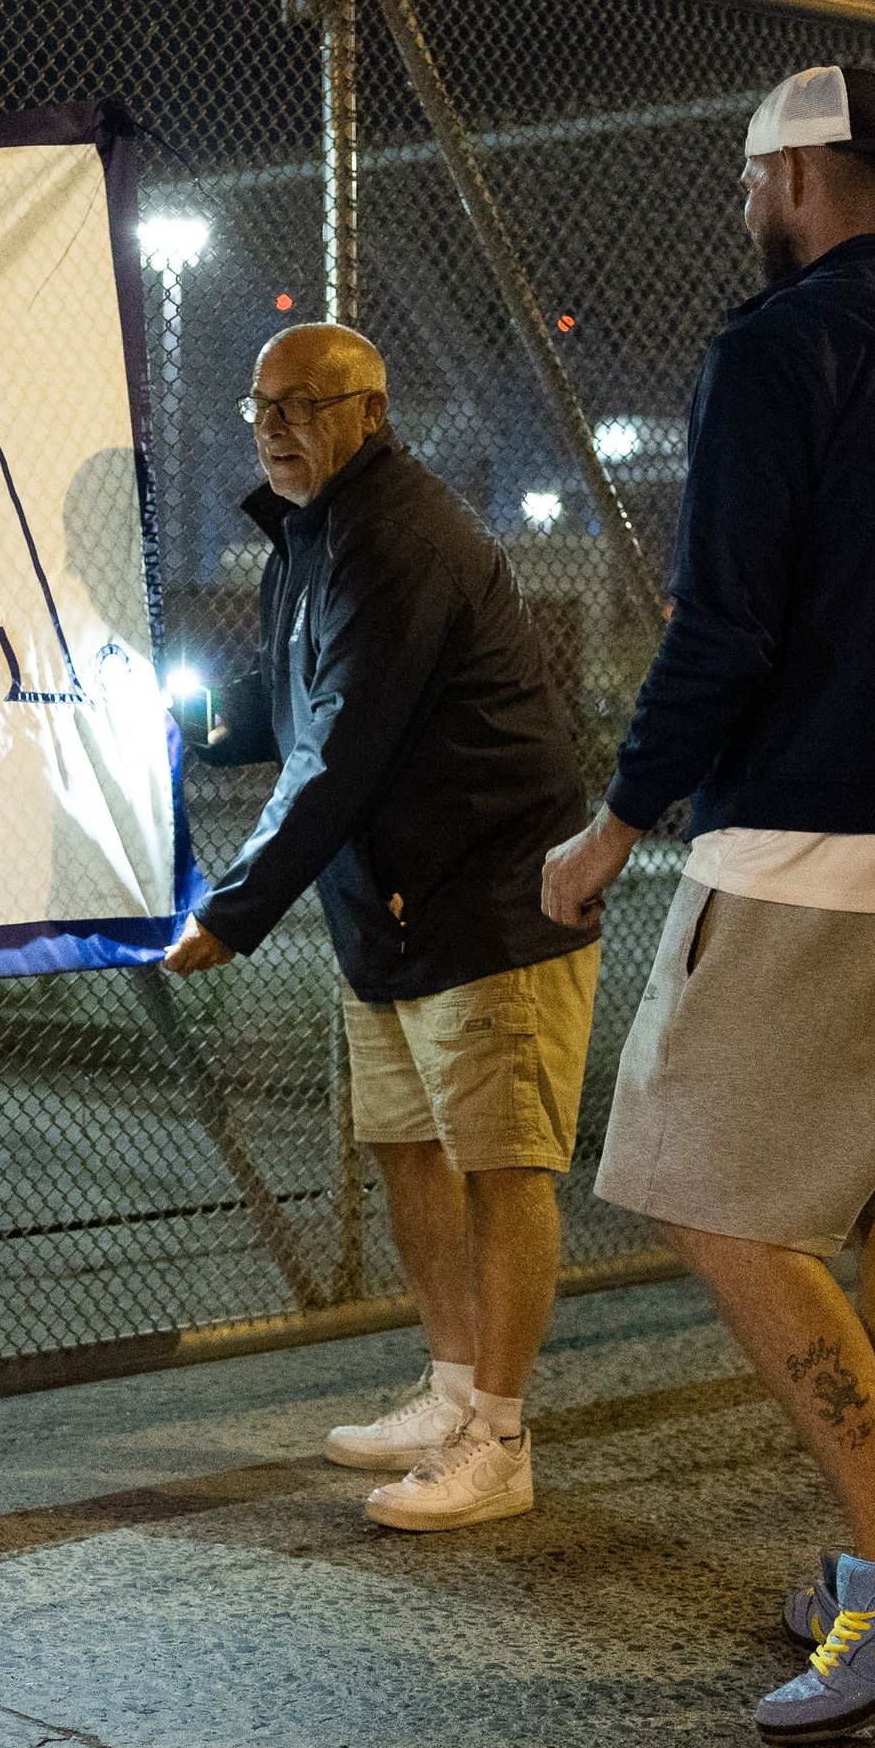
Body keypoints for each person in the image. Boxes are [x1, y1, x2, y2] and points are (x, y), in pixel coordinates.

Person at [540, 63, 875, 1745]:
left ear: (790, 178)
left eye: (751, 187)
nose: (748, 215)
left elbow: (726, 628)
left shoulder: (775, 352)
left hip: (804, 865)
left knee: (714, 1199)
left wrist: (612, 828)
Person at [162, 324, 600, 1532]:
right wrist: (203, 722)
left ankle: (499, 1437)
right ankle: (450, 1390)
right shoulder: (312, 533)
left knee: (506, 1165)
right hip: (392, 910)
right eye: (260, 405)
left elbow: (346, 743)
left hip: (492, 899)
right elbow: (295, 705)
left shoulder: (399, 534)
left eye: (304, 403)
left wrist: (235, 910)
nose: (275, 426)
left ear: (372, 409)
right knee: (412, 1147)